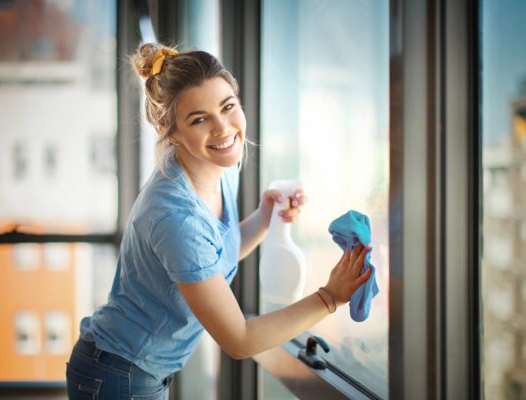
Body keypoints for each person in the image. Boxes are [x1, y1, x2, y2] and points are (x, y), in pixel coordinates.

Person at [65, 43, 373, 400]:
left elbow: (211, 258)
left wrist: (263, 217)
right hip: (118, 374)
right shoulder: (175, 217)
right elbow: (239, 340)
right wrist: (330, 297)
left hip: (136, 368)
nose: (223, 128)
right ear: (171, 131)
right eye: (199, 119)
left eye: (228, 107)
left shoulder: (218, 169)